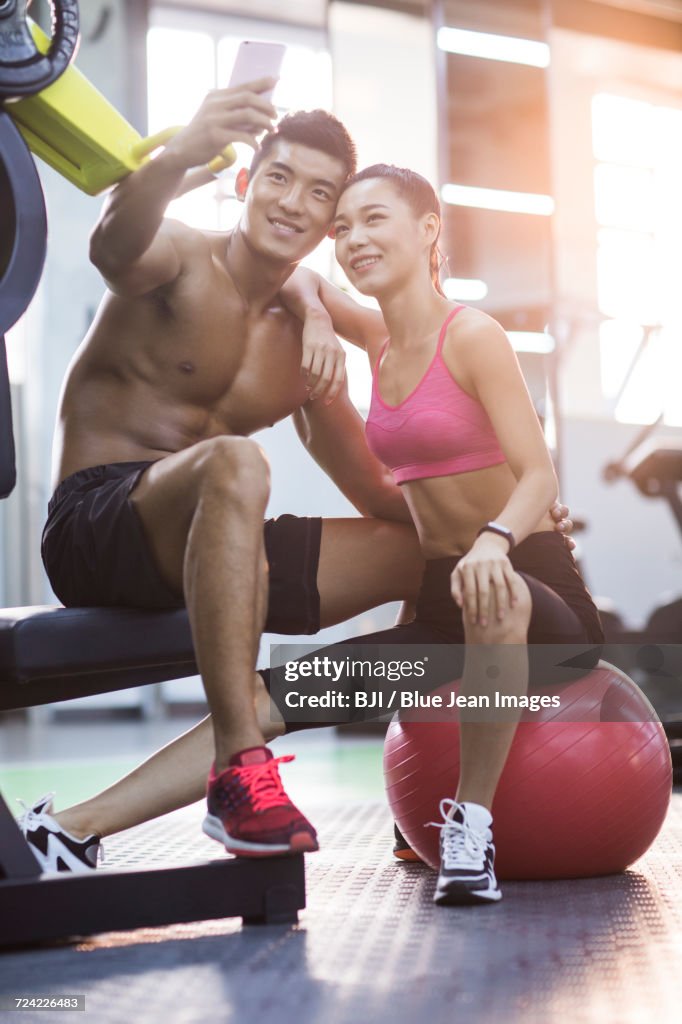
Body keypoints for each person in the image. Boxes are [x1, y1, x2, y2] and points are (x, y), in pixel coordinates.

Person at [18, 91, 573, 872]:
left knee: (429, 558)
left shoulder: (308, 349)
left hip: (211, 540)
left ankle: (73, 827)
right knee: (239, 462)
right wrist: (177, 156)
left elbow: (385, 495)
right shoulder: (177, 256)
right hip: (98, 527)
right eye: (279, 179)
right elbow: (113, 246)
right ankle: (243, 774)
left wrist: (508, 521)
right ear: (245, 183)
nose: (296, 204)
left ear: (326, 229)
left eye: (322, 197)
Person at [275, 163, 604, 906]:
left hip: (535, 595)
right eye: (342, 228)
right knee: (286, 692)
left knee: (492, 595)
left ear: (428, 230)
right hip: (444, 604)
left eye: (374, 220)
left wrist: (493, 541)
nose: (353, 238)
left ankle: (472, 832)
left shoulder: (475, 335)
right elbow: (297, 282)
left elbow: (539, 478)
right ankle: (75, 827)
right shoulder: (380, 340)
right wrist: (320, 319)